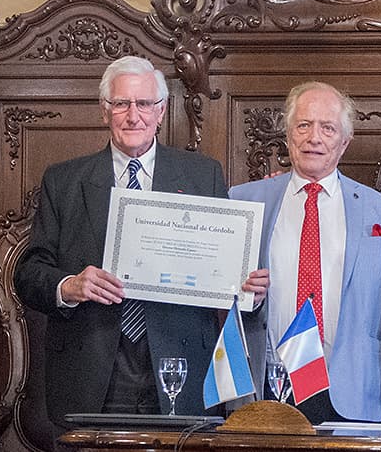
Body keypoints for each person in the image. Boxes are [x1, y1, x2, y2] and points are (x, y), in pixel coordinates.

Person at [13, 56, 228, 425]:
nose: (133, 116)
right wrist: (70, 285)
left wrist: (241, 280)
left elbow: (222, 267)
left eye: (144, 104)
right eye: (121, 104)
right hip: (92, 372)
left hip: (180, 367)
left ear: (160, 111)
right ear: (104, 110)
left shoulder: (201, 175)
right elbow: (29, 274)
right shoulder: (64, 181)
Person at [231, 82, 381, 423]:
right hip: (267, 385)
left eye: (327, 128)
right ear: (288, 135)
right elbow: (216, 293)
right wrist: (239, 293)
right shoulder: (244, 200)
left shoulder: (379, 211)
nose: (314, 137)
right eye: (304, 125)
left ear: (344, 141)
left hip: (350, 391)